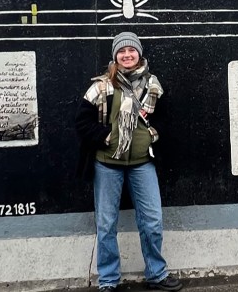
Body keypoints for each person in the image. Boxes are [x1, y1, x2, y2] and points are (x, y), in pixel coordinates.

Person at [74, 32, 183, 292]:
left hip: (143, 163)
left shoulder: (153, 85)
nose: (127, 55)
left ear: (139, 53)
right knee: (107, 224)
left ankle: (156, 274)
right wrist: (107, 136)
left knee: (153, 220)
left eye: (131, 50)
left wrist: (151, 136)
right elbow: (81, 122)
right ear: (115, 56)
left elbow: (166, 120)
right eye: (121, 51)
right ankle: (109, 281)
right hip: (107, 164)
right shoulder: (101, 86)